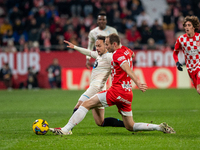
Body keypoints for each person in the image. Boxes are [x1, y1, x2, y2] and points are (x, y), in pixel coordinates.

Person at [50, 33, 175, 135]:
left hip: (116, 91)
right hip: (127, 94)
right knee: (130, 126)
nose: (106, 46)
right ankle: (159, 127)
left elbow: (126, 68)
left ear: (114, 44)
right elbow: (132, 54)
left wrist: (138, 82)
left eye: (107, 44)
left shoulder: (116, 55)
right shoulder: (126, 50)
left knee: (85, 104)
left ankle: (66, 130)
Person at [63, 35, 125, 133]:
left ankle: (67, 129)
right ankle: (128, 124)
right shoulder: (98, 55)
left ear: (106, 45)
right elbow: (89, 52)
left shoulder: (109, 56)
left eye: (99, 46)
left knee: (79, 105)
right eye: (96, 46)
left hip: (96, 88)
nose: (97, 48)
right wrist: (75, 47)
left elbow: (120, 62)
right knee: (100, 122)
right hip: (100, 90)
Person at [173, 16, 200, 95]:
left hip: (199, 65)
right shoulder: (181, 39)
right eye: (185, 26)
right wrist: (177, 62)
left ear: (194, 27)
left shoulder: (199, 37)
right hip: (190, 68)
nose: (187, 27)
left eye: (189, 25)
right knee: (198, 91)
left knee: (199, 89)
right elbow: (175, 52)